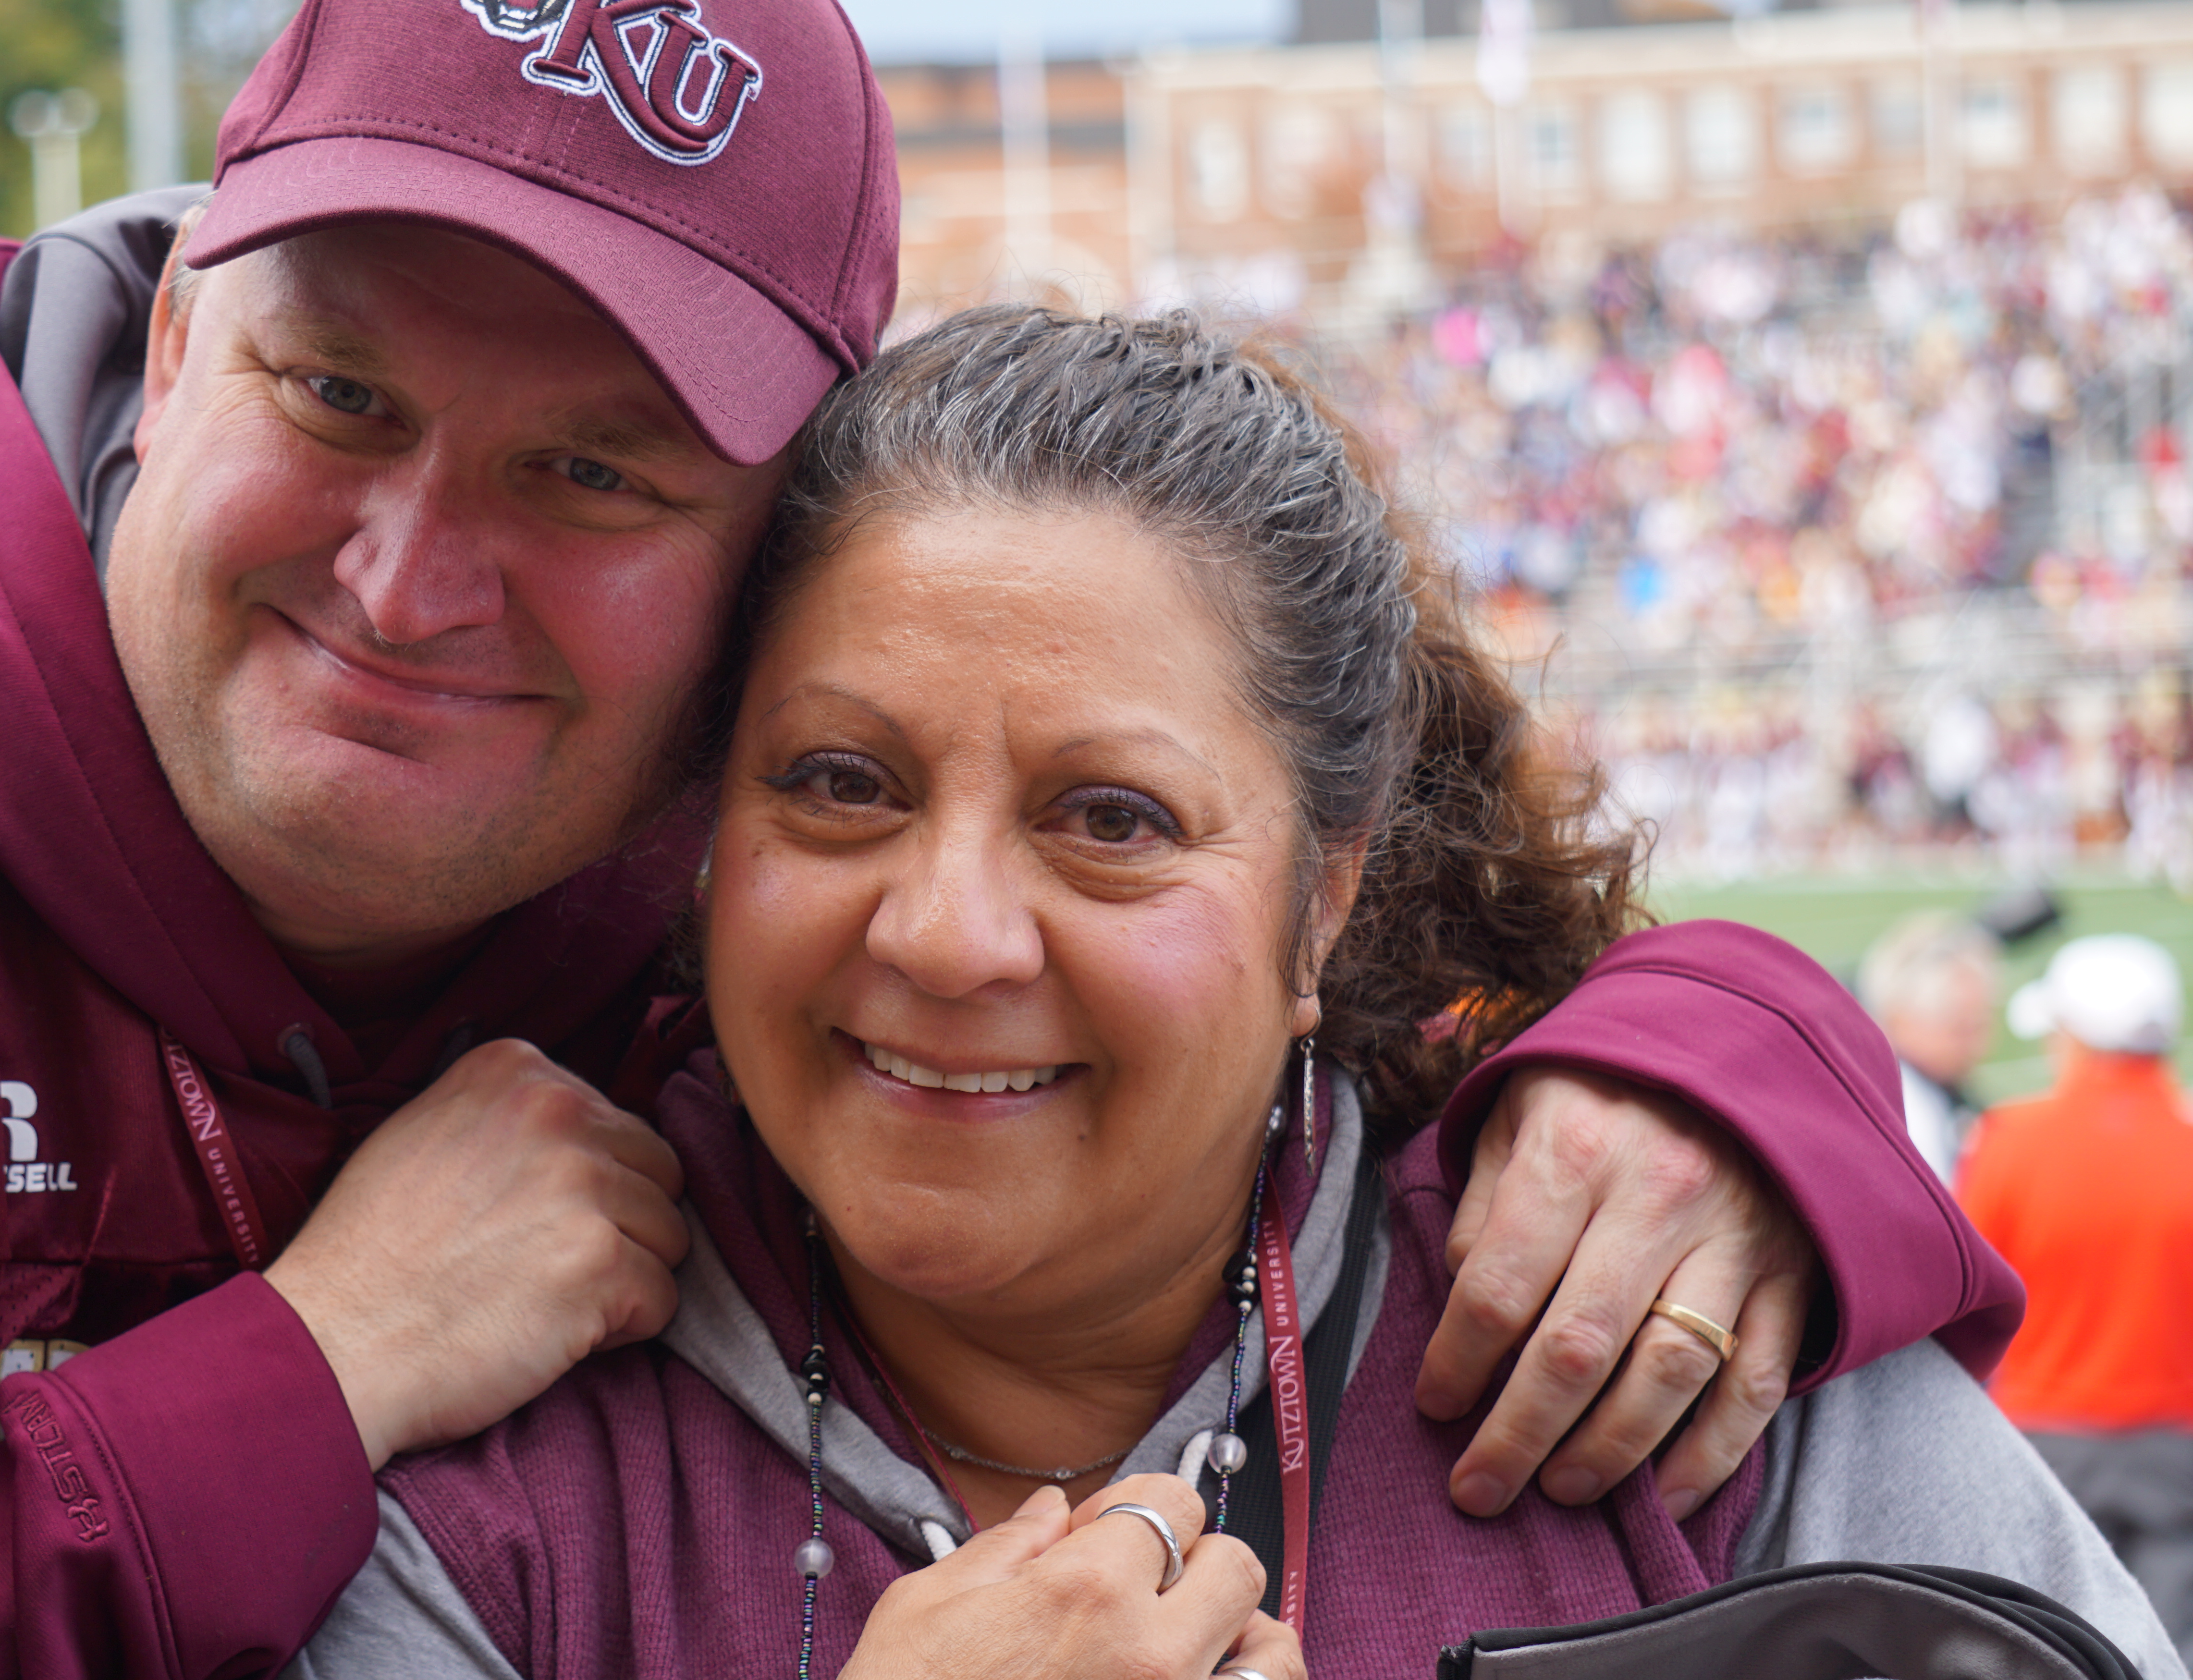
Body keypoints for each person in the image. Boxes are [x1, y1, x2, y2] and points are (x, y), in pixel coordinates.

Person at [0, 0, 2010, 1675]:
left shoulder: (751, 813)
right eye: (332, 389)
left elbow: (1303, 915)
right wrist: (297, 1379)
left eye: (591, 470)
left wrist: (1720, 1081)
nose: (408, 566)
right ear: (165, 334)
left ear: (755, 580)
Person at [293, 308, 2175, 1680]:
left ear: (1320, 900)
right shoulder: (483, 1487)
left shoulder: (1689, 1367)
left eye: (1109, 819)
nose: (949, 934)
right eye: (843, 782)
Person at [1961, 934, 2193, 1667]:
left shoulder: (2011, 1139)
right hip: (2175, 1443)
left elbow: (1970, 1297)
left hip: (2041, 1438)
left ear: (2074, 1037)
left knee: (2046, 1648)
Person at [1859, 910, 2001, 1182]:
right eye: (1960, 1030)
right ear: (1898, 1019)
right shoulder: (1898, 1114)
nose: (1978, 1048)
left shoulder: (1938, 1088)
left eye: (1981, 1026)